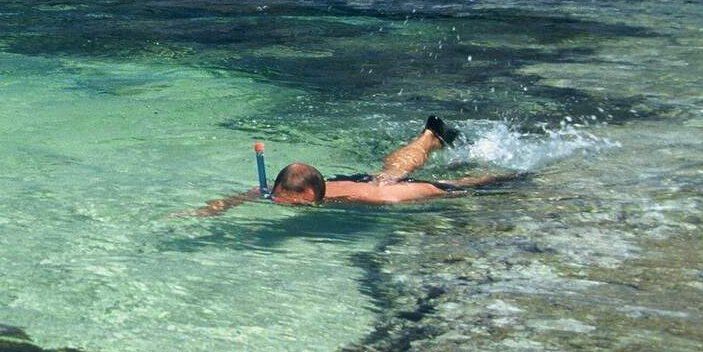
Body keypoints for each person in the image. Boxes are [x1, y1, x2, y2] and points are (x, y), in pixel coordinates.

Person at [187, 116, 518, 216]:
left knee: (392, 178)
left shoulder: (375, 198)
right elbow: (253, 194)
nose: (282, 206)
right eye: (278, 200)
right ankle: (431, 136)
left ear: (312, 197)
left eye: (293, 205)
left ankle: (437, 140)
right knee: (389, 168)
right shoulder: (281, 192)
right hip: (352, 182)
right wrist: (218, 206)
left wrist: (480, 187)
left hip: (381, 190)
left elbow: (434, 190)